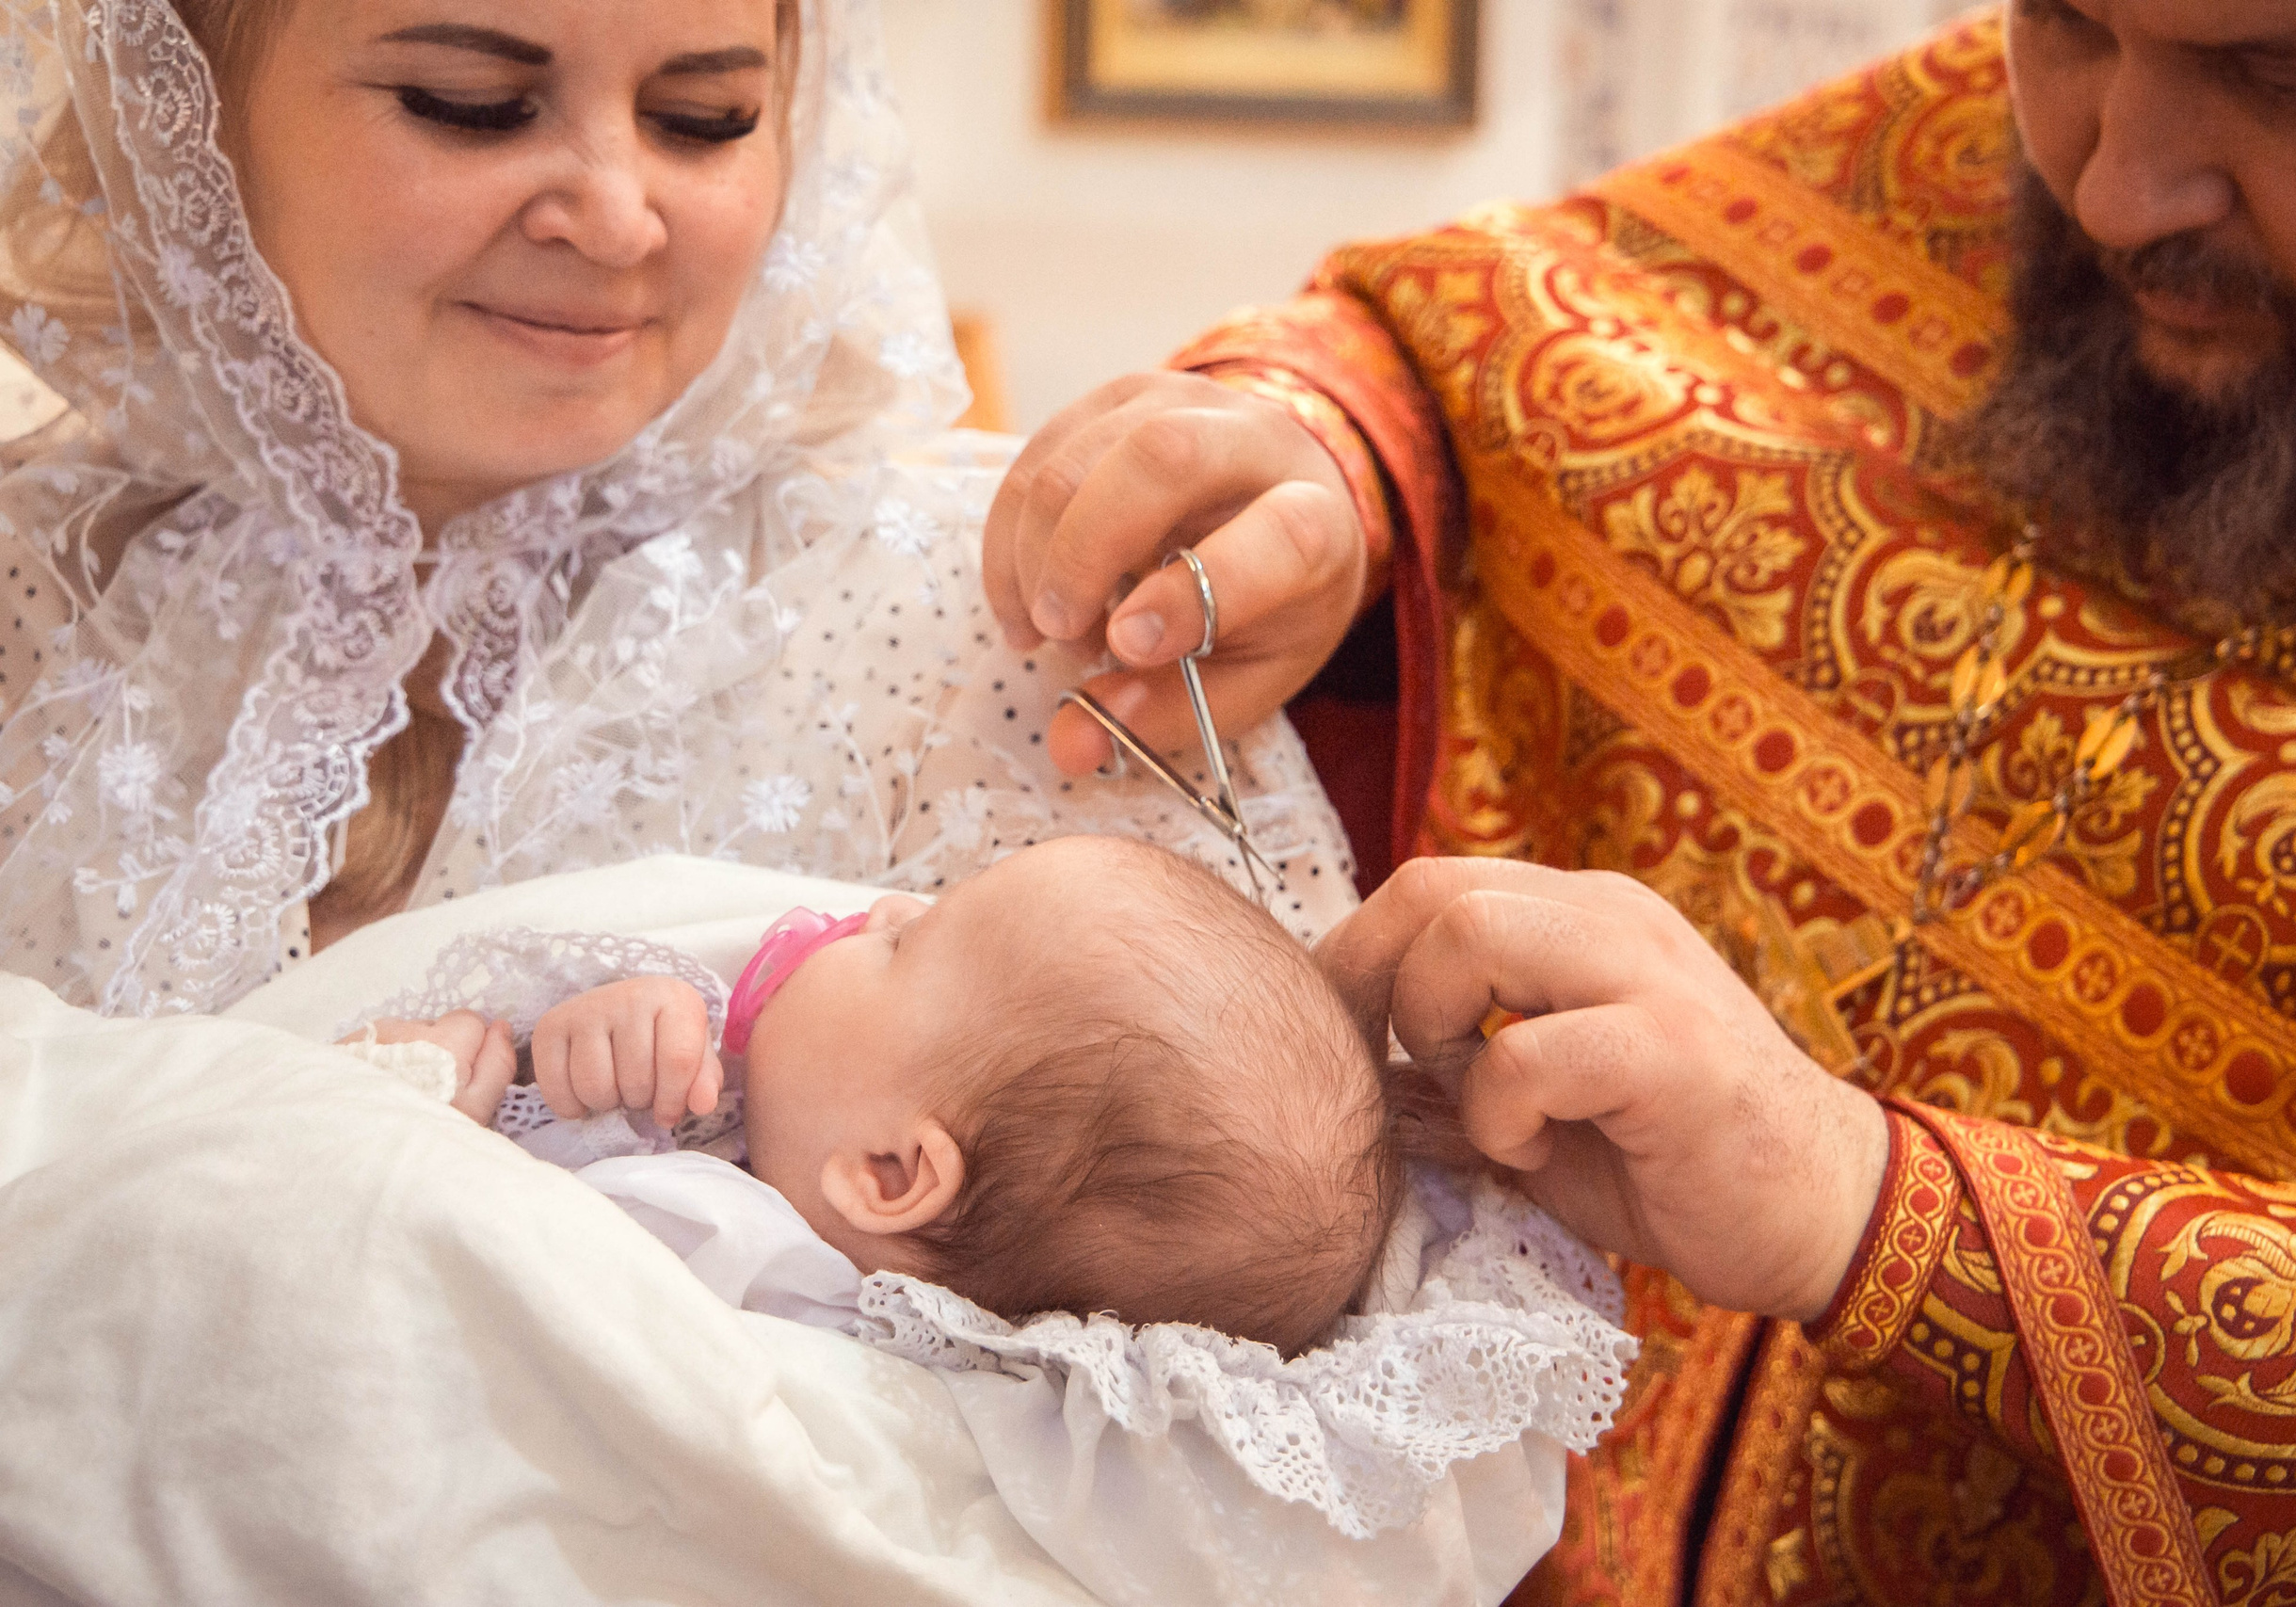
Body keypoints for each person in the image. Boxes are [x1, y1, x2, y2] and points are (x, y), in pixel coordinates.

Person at [994, 2, 2296, 1602]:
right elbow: (1522, 336)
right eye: (2066, 25)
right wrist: (1315, 455)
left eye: (2290, 80)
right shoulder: (1985, 134)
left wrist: (1865, 1207)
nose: (2115, 187)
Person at [0, 0, 1354, 1020]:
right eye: (471, 102)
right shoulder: (40, 574)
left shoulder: (979, 623)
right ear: (176, 116)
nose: (616, 216)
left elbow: (1252, 1279)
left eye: (704, 118)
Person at [354, 835, 1400, 1358]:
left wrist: (459, 1107)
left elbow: (446, 1268)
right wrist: (573, 1053)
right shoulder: (728, 1114)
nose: (883, 905)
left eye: (905, 945)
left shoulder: (717, 1250)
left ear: (890, 1174)